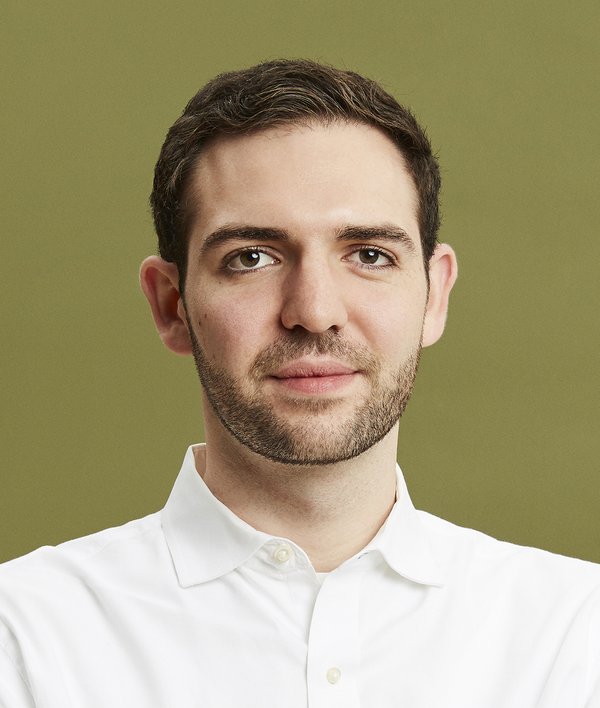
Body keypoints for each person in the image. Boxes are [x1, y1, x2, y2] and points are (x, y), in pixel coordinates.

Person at [0, 59, 599, 708]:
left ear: (435, 296)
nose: (314, 310)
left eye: (369, 255)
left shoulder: (574, 637)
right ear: (171, 304)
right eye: (251, 257)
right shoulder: (27, 639)